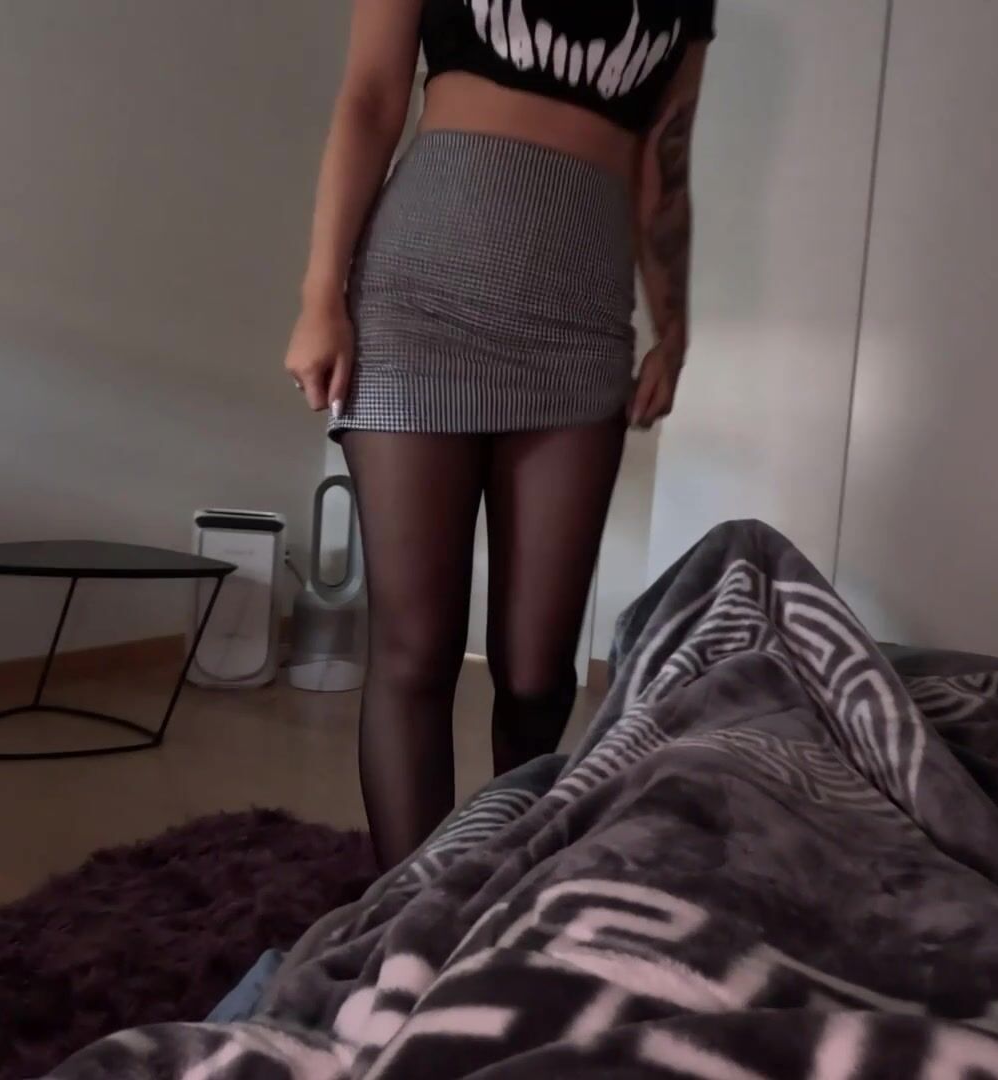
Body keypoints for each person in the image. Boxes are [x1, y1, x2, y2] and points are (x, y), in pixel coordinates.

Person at [285, 0, 713, 870]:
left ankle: (509, 880)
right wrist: (320, 295)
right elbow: (372, 98)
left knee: (537, 669)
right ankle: (416, 908)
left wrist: (674, 330)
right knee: (416, 652)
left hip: (581, 324)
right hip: (417, 301)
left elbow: (664, 159)